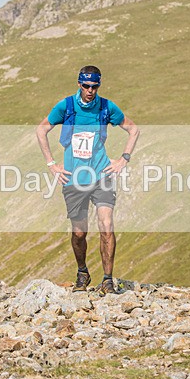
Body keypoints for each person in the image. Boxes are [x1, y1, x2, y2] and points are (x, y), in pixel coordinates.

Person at [35, 65, 140, 295]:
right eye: (86, 86)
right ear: (79, 84)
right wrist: (51, 164)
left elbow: (133, 129)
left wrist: (123, 159)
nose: (90, 90)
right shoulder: (66, 106)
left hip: (102, 175)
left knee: (106, 226)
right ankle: (82, 272)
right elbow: (41, 130)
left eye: (95, 86)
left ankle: (108, 280)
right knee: (79, 233)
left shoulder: (106, 107)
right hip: (74, 178)